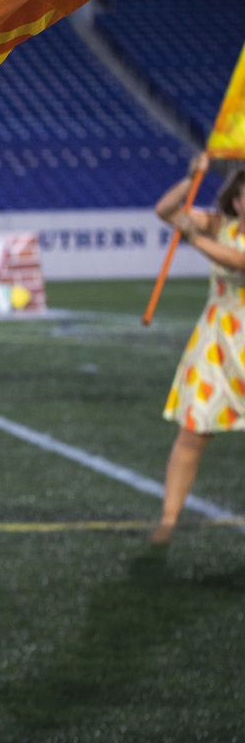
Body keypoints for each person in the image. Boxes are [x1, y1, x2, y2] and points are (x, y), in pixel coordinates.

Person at [151, 152, 245, 544]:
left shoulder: (210, 233)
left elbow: (240, 262)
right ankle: (169, 519)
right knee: (193, 432)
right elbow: (166, 209)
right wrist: (193, 179)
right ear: (236, 199)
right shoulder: (221, 224)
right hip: (217, 340)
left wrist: (195, 237)